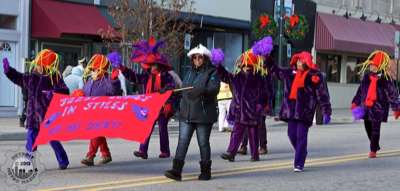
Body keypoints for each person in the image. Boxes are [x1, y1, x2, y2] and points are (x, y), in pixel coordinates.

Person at [3, 49, 70, 170]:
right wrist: (9, 71)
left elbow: (65, 91)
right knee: (31, 140)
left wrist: (52, 92)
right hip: (33, 115)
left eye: (40, 64)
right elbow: (19, 78)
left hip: (48, 116)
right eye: (37, 64)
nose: (38, 66)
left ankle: (63, 161)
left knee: (53, 139)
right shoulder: (31, 77)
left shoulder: (54, 77)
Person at [265, 51, 332, 172]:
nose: (299, 63)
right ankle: (302, 152)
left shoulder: (314, 75)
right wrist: (267, 57)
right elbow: (275, 70)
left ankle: (299, 163)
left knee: (301, 136)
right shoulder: (290, 73)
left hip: (305, 111)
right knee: (291, 134)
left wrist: (326, 111)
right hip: (291, 111)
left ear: (307, 62)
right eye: (298, 61)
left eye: (301, 61)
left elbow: (322, 95)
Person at [164, 44, 220, 181]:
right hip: (186, 113)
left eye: (200, 57)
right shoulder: (189, 72)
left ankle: (206, 172)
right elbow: (183, 89)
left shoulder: (212, 72)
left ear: (205, 58)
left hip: (203, 114)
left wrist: (203, 91)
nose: (197, 60)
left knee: (203, 143)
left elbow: (214, 88)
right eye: (194, 58)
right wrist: (168, 91)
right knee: (182, 142)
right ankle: (176, 171)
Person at [215, 37, 273, 162]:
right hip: (239, 111)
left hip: (252, 112)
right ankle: (231, 152)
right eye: (244, 65)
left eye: (248, 65)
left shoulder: (258, 78)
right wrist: (218, 66)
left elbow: (264, 94)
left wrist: (261, 106)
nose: (246, 67)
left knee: (253, 134)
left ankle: (254, 155)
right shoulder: (237, 77)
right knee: (236, 132)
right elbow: (225, 76)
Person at [117, 37, 176, 159]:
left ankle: (165, 151)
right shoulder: (146, 76)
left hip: (162, 107)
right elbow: (134, 78)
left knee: (162, 129)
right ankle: (143, 150)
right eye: (150, 64)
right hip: (149, 107)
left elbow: (171, 89)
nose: (152, 66)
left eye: (154, 64)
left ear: (159, 65)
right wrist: (123, 69)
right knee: (146, 128)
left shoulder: (166, 76)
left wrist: (168, 100)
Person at [351, 51, 400, 158]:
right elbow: (360, 90)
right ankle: (375, 144)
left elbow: (392, 94)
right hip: (366, 106)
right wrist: (355, 102)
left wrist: (396, 108)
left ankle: (373, 150)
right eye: (371, 64)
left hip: (379, 108)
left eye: (374, 65)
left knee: (375, 129)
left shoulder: (385, 79)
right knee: (367, 126)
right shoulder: (366, 77)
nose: (372, 66)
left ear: (380, 66)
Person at [80, 54, 122, 166]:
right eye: (92, 69)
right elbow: (85, 92)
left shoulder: (107, 79)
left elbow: (115, 92)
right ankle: (106, 154)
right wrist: (79, 94)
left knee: (96, 132)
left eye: (95, 69)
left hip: (104, 111)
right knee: (99, 133)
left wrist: (114, 81)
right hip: (91, 111)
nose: (92, 71)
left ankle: (90, 156)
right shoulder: (90, 80)